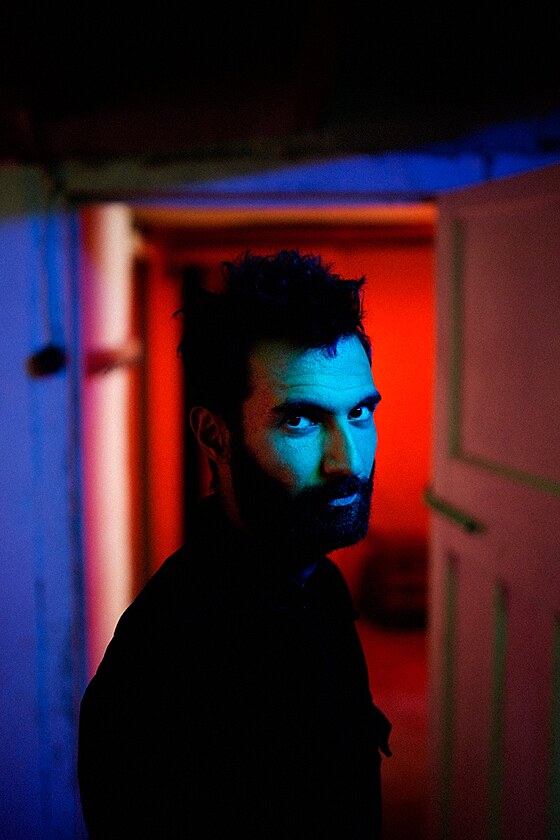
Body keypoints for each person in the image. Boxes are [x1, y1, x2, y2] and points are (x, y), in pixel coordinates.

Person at [78, 248, 392, 839]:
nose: (348, 461)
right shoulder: (167, 667)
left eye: (359, 412)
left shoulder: (316, 579)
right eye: (299, 421)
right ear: (214, 435)